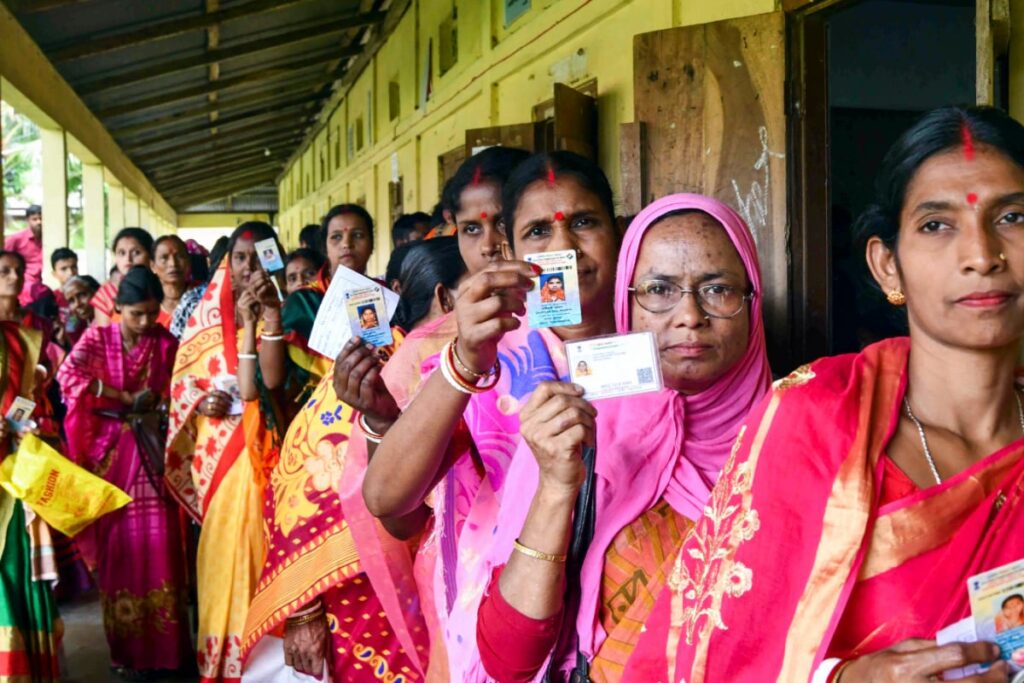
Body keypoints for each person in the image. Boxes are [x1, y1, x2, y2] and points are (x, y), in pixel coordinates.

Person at [625, 106, 1024, 683]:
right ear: (888, 266)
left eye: (1011, 216)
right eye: (937, 225)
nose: (983, 256)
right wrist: (840, 679)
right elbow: (698, 664)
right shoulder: (816, 421)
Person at [473, 194, 771, 681]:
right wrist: (556, 485)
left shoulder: (798, 434)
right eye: (659, 289)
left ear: (753, 300)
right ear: (627, 302)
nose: (690, 315)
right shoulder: (582, 427)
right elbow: (510, 659)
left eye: (718, 290)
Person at [364, 150, 621, 680]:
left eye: (584, 222)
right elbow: (386, 498)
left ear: (618, 232)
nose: (564, 247)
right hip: (509, 630)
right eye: (537, 233)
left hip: (626, 627)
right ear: (512, 250)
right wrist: (466, 363)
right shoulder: (490, 354)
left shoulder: (663, 342)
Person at [241, 237, 466, 682]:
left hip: (453, 584)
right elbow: (301, 482)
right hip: (369, 592)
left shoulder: (491, 364)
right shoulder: (381, 367)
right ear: (444, 298)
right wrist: (303, 610)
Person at [57, 266, 192, 679]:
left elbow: (183, 387)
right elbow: (68, 376)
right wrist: (120, 395)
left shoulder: (166, 342)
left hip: (153, 454)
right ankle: (126, 652)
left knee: (163, 549)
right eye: (136, 314)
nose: (146, 322)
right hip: (111, 458)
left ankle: (168, 652)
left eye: (152, 313)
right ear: (117, 309)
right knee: (121, 557)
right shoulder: (97, 339)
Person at [165, 222, 285, 682]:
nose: (249, 267)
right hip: (219, 455)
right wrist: (201, 402)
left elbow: (279, 386)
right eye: (240, 257)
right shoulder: (204, 320)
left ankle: (265, 666)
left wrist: (267, 318)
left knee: (265, 555)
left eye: (259, 257)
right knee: (220, 559)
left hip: (270, 458)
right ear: (226, 263)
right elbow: (182, 385)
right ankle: (222, 666)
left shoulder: (290, 314)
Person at [0, 276, 61, 682]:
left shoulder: (21, 341)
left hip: (12, 467)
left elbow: (27, 402)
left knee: (13, 564)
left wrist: (17, 428)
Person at [275, 204, 375, 407]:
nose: (346, 244)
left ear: (372, 243)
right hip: (318, 410)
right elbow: (273, 380)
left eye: (357, 235)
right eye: (336, 237)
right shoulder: (303, 301)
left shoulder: (385, 294)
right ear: (325, 248)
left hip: (375, 404)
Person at [93, 228, 154, 326]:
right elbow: (104, 334)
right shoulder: (107, 292)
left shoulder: (160, 286)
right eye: (122, 253)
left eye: (136, 253)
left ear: (151, 255)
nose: (128, 259)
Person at [151, 235, 200, 330]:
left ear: (189, 262)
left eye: (180, 256)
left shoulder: (205, 295)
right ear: (153, 266)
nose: (173, 264)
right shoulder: (147, 302)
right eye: (164, 258)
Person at [4, 204, 43, 306]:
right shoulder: (16, 239)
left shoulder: (48, 239)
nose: (39, 222)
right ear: (28, 220)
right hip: (23, 285)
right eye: (34, 219)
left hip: (41, 284)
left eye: (41, 218)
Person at [57, 275, 98, 349]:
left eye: (82, 295)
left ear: (95, 292)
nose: (77, 304)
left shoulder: (114, 318)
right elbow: (70, 333)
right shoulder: (72, 318)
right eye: (71, 301)